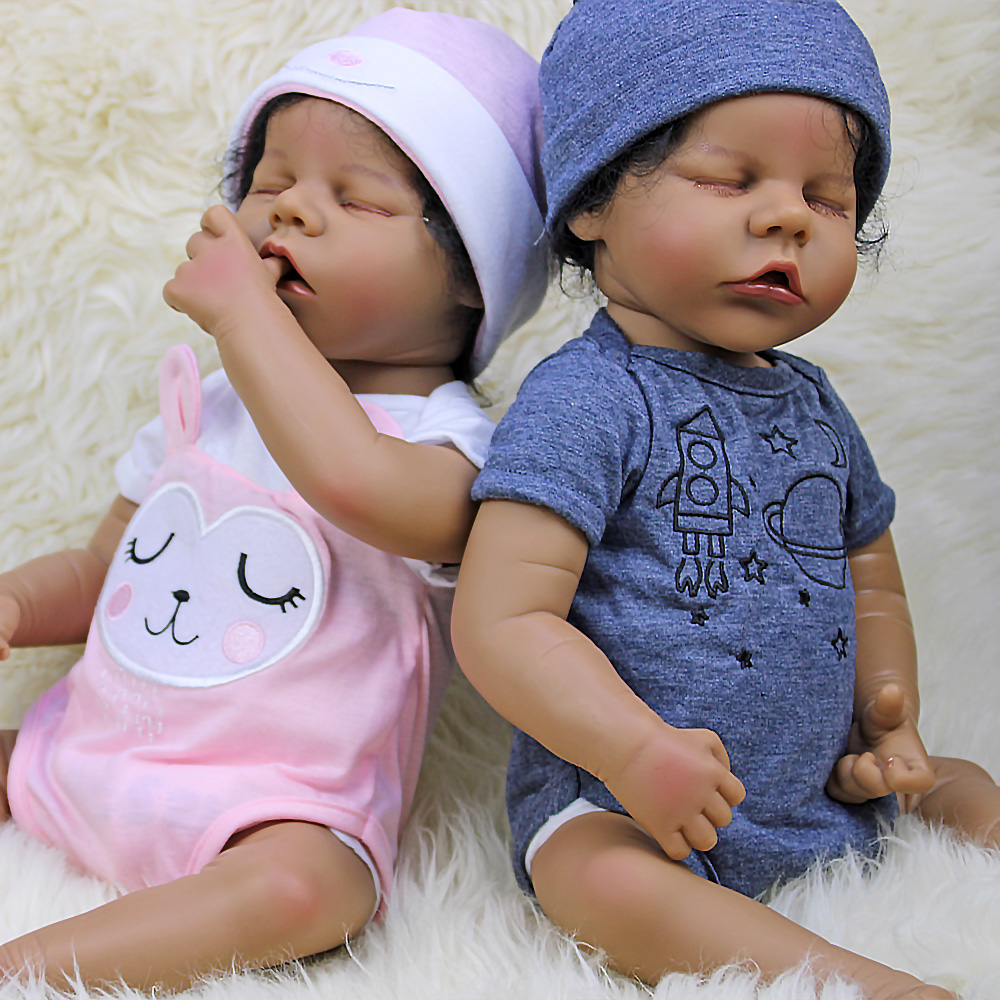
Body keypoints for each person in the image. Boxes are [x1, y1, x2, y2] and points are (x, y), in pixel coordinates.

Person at [451, 1, 1000, 996]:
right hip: (628, 798)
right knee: (594, 877)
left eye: (829, 199)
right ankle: (847, 979)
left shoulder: (814, 403)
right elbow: (503, 619)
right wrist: (632, 750)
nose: (790, 217)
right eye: (729, 179)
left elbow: (870, 572)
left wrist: (888, 718)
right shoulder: (590, 397)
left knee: (966, 786)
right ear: (592, 200)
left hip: (819, 792)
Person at [0, 8, 547, 991]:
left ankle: (32, 966)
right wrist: (16, 603)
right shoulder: (207, 403)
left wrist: (245, 316)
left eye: (358, 198)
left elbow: (355, 483)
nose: (291, 212)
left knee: (313, 889)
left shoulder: (452, 443)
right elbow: (103, 570)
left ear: (473, 275)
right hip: (77, 757)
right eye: (269, 184)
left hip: (265, 812)